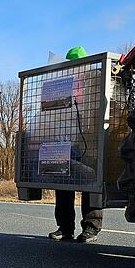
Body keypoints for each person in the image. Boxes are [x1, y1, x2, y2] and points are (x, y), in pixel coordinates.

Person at [48, 46, 103, 243]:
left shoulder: (96, 78)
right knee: (63, 183)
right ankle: (65, 228)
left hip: (90, 138)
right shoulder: (62, 84)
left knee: (90, 181)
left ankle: (91, 228)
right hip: (66, 139)